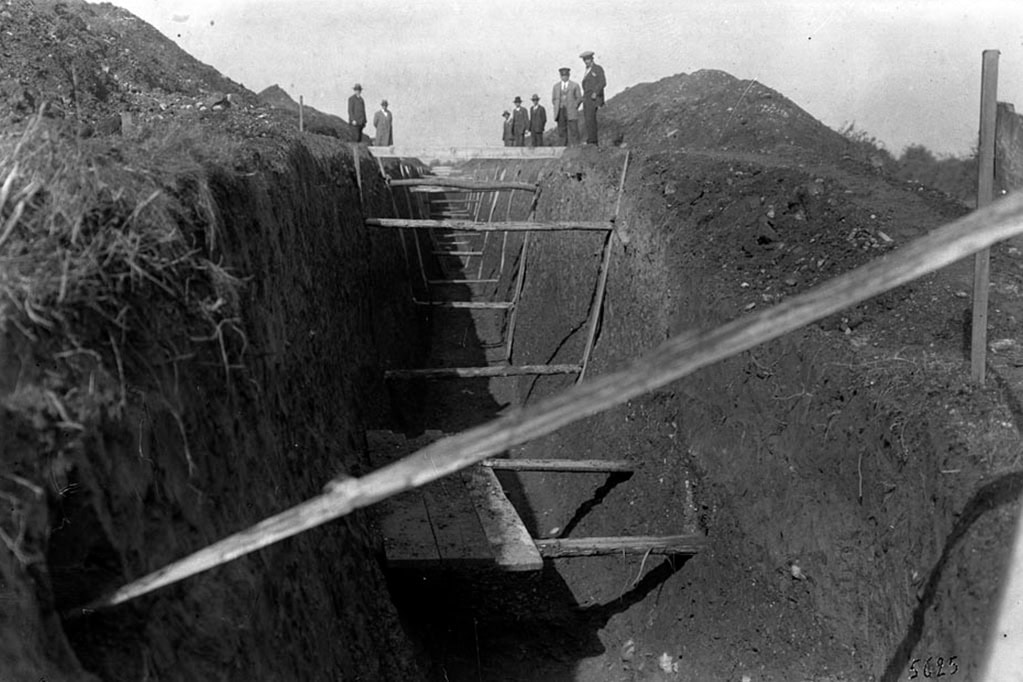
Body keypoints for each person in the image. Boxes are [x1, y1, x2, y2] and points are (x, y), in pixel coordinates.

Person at [579, 50, 606, 146]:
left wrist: (596, 92)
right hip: (587, 98)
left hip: (593, 98)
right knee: (588, 119)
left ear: (592, 59)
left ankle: (593, 141)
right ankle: (591, 139)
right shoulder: (587, 71)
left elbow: (602, 82)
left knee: (591, 119)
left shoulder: (597, 69)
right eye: (584, 60)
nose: (586, 61)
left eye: (588, 59)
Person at [551, 66, 582, 146]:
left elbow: (579, 98)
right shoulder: (556, 87)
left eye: (566, 75)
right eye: (562, 75)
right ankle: (562, 148)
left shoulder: (574, 85)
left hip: (571, 111)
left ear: (569, 75)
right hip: (560, 111)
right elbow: (554, 99)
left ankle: (576, 148)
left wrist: (574, 106)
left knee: (574, 130)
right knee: (561, 131)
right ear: (560, 76)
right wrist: (558, 106)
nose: (564, 77)